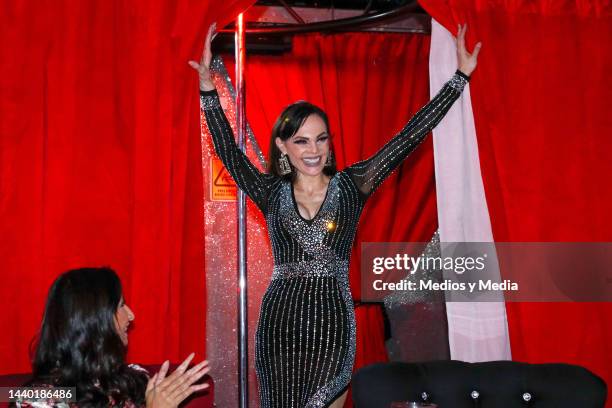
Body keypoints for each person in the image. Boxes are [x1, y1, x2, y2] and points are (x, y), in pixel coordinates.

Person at [189, 23, 481, 408]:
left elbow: (409, 137)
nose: (314, 150)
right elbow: (228, 152)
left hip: (332, 327)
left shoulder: (352, 184)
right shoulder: (270, 192)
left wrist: (459, 79)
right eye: (302, 141)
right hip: (280, 326)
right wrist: (208, 88)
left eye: (321, 138)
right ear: (282, 146)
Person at [19, 267, 210, 408]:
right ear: (94, 320)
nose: (131, 314)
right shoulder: (37, 398)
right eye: (121, 306)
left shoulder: (133, 380)